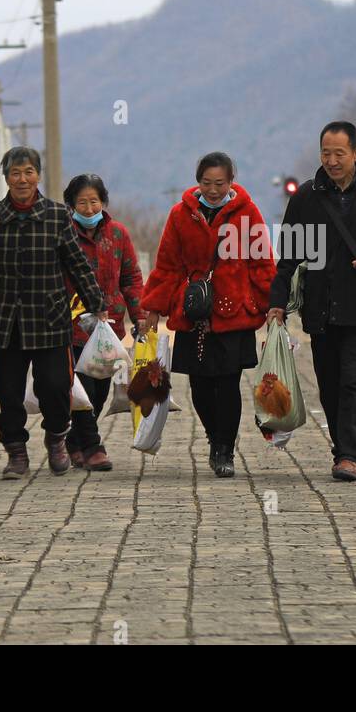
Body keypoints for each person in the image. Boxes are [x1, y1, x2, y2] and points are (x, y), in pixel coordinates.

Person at [268, 121, 356, 481]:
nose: (332, 161)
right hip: (320, 309)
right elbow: (287, 257)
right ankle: (341, 448)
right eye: (326, 154)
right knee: (329, 383)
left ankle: (351, 455)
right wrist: (276, 305)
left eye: (339, 154)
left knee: (355, 380)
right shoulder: (305, 198)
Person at [0, 147, 109, 479]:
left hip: (50, 319)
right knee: (7, 392)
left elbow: (77, 264)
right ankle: (16, 453)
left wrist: (97, 305)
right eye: (15, 173)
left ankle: (57, 439)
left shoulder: (57, 216)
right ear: (6, 178)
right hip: (4, 321)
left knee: (56, 386)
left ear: (38, 175)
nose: (22, 179)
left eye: (28, 172)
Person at [140, 152, 276, 478]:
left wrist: (271, 303)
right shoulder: (180, 215)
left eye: (219, 183)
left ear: (231, 182)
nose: (213, 190)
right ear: (197, 181)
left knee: (228, 383)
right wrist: (154, 308)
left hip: (233, 313)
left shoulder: (247, 214)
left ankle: (224, 449)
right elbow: (167, 266)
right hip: (194, 312)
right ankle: (214, 436)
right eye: (206, 183)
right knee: (200, 385)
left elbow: (261, 263)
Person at [63, 173, 145, 471]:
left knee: (98, 390)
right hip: (71, 325)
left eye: (93, 201)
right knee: (81, 385)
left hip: (109, 327)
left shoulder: (118, 234)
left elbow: (131, 278)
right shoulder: (63, 233)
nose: (88, 208)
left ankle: (73, 441)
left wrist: (140, 316)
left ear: (103, 202)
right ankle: (94, 446)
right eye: (81, 202)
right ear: (71, 205)